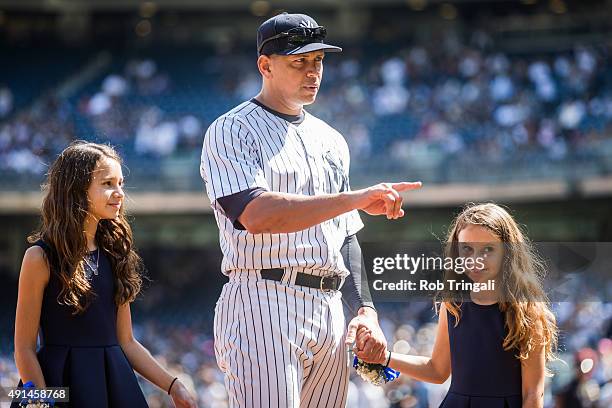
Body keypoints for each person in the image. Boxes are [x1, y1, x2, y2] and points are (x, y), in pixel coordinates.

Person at [200, 12, 421, 408]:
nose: (312, 71)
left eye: (317, 60)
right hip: (264, 299)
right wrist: (355, 198)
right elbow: (255, 214)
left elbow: (346, 237)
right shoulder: (231, 130)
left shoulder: (332, 140)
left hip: (331, 308)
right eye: (298, 61)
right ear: (265, 66)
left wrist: (366, 310)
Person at [12, 141, 196, 408]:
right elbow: (24, 349)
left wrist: (173, 385)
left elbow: (127, 342)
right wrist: (40, 403)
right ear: (75, 189)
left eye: (121, 183)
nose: (119, 193)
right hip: (55, 387)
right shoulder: (39, 257)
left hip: (114, 384)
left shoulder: (115, 253)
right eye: (108, 183)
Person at [355, 203, 558, 408]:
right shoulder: (453, 303)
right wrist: (385, 357)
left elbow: (533, 393)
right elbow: (437, 370)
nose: (476, 260)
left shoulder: (527, 309)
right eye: (467, 249)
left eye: (488, 249)